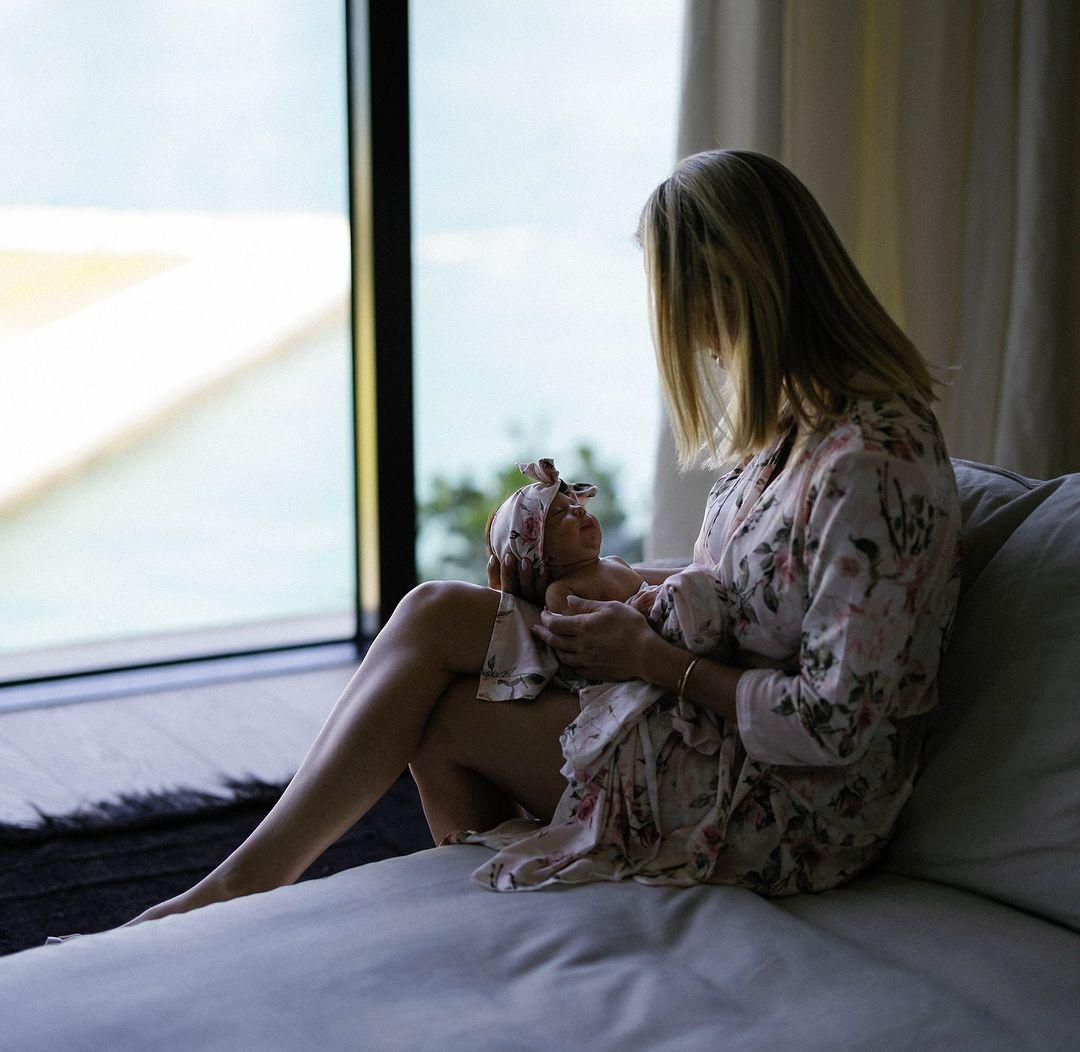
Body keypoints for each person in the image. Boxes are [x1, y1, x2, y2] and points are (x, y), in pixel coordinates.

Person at [91, 147, 959, 931]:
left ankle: (250, 885)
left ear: (729, 290)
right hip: (710, 735)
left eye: (680, 305)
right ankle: (284, 885)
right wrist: (597, 584)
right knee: (439, 621)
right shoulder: (791, 434)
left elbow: (833, 725)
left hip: (793, 812)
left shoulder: (871, 464)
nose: (693, 343)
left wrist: (653, 661)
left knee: (438, 705)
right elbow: (744, 591)